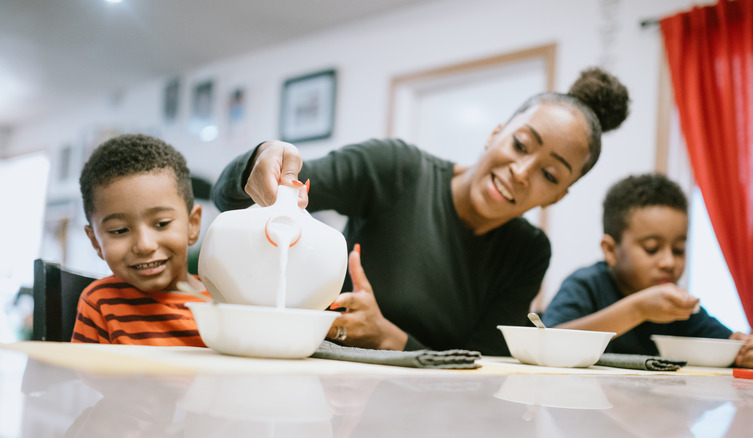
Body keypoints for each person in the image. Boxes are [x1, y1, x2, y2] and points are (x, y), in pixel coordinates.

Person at [213, 67, 630, 356]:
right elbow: (230, 198)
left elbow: (483, 366)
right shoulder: (396, 169)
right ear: (495, 134)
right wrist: (265, 159)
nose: (521, 173)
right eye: (520, 145)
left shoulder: (528, 251)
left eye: (550, 174)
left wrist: (389, 337)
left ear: (557, 196)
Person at [542, 173, 753, 368]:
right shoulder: (586, 284)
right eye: (652, 249)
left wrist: (746, 350)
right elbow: (549, 342)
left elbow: (730, 344)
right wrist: (638, 309)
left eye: (678, 250)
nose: (668, 261)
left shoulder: (677, 306)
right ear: (610, 250)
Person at [71, 134, 210, 345]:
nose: (145, 245)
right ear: (96, 242)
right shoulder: (100, 304)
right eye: (119, 231)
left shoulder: (226, 301)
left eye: (162, 223)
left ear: (193, 225)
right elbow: (84, 377)